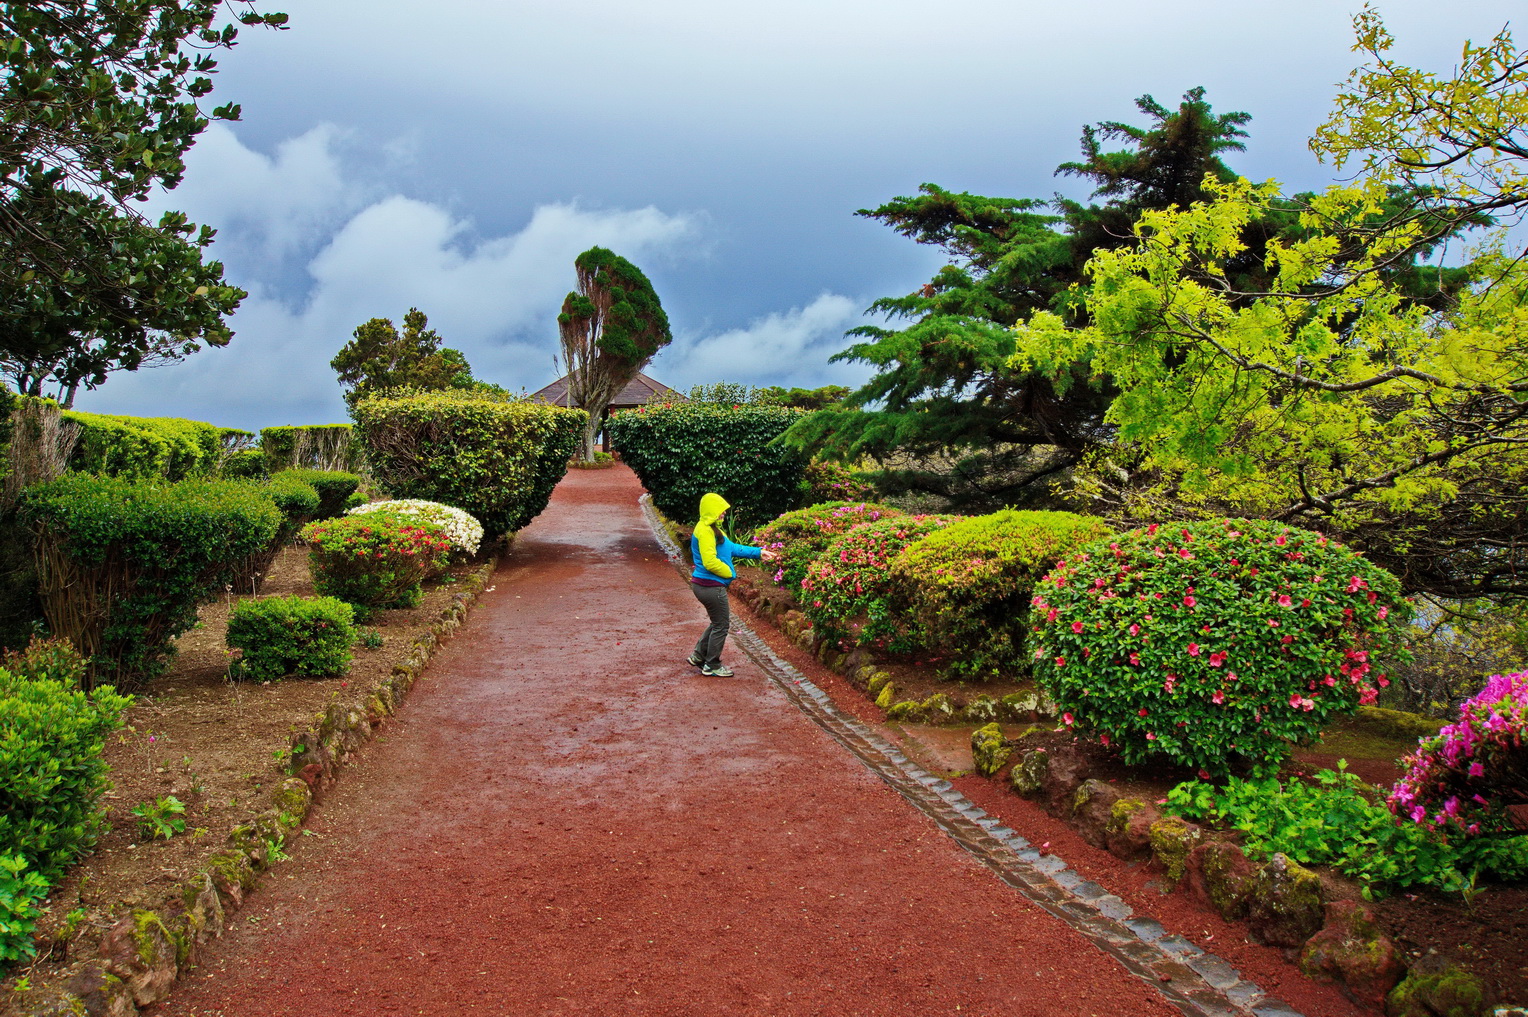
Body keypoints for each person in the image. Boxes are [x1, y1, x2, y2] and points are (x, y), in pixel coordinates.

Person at [687, 492, 776, 677]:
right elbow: (710, 561)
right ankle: (711, 665)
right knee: (722, 625)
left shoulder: (713, 529)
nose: (724, 514)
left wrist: (759, 553)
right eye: (721, 511)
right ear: (712, 511)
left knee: (717, 622)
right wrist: (729, 573)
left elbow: (733, 548)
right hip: (709, 586)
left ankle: (698, 656)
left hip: (707, 584)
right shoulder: (705, 531)